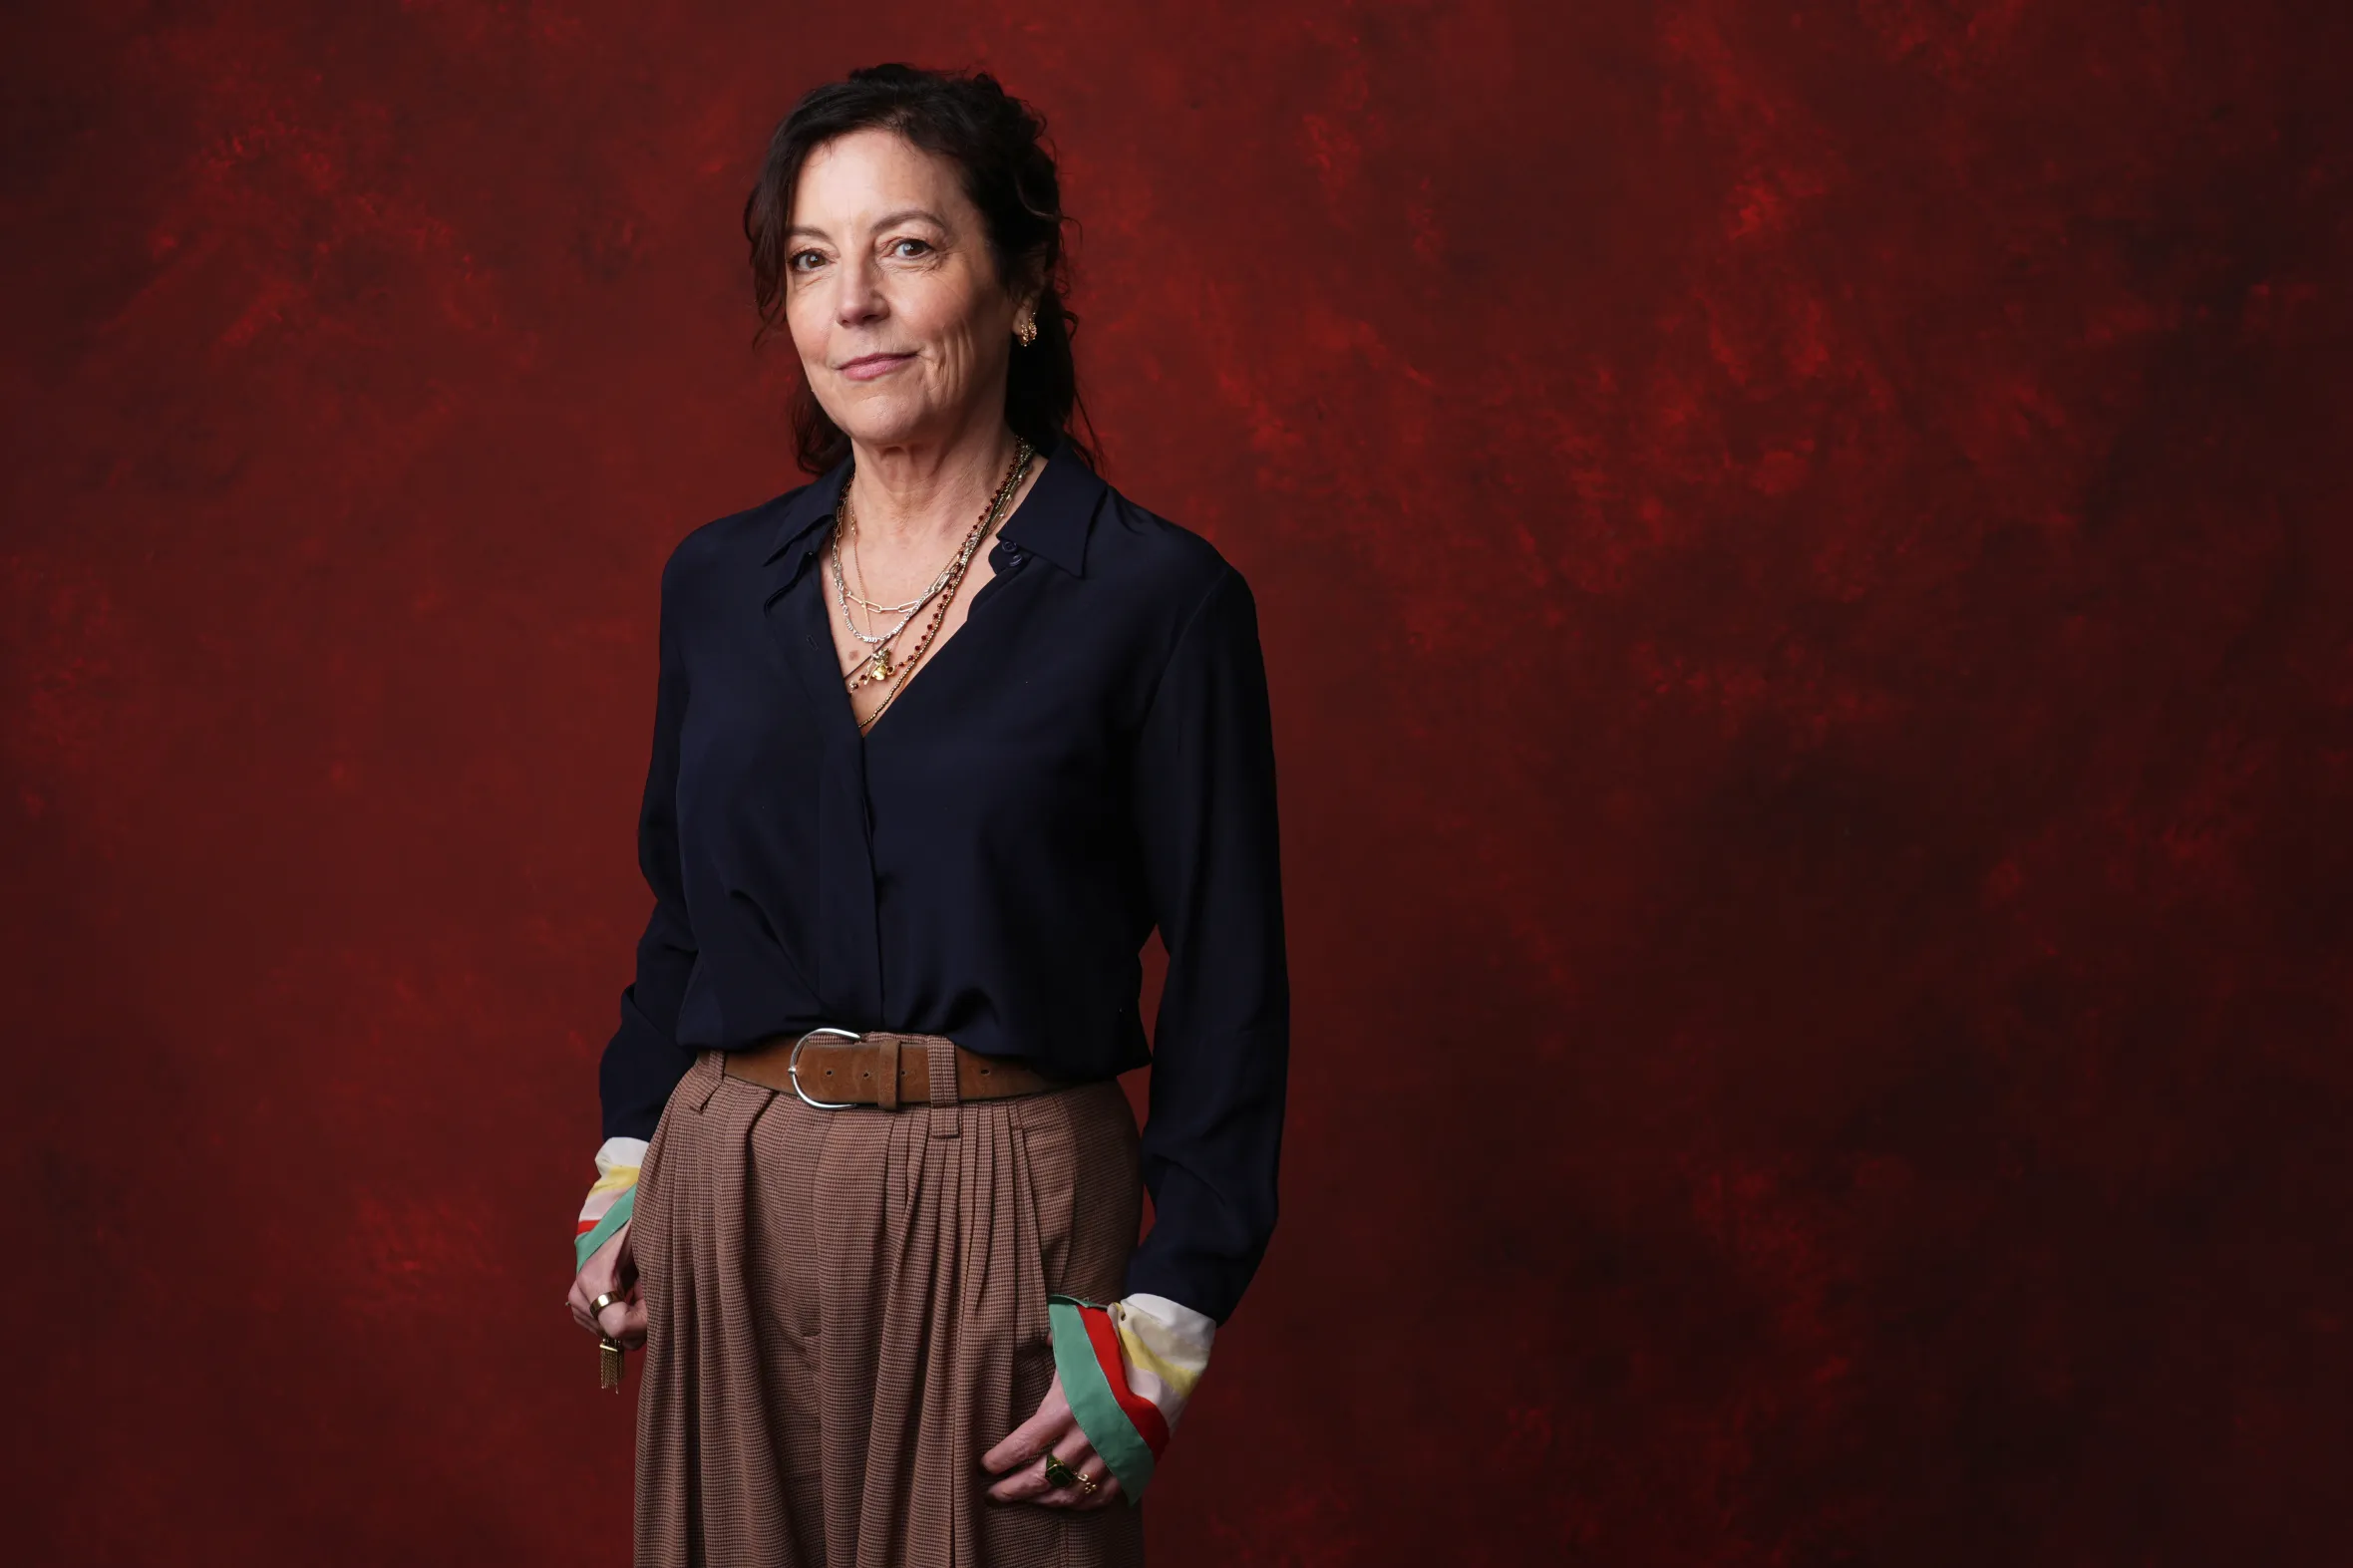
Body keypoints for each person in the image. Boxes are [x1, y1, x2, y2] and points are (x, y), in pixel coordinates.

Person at [559, 63, 1290, 1567]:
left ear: (1019, 284)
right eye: (814, 261)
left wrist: (1168, 1317)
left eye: (909, 246)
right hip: (733, 1193)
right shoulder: (716, 584)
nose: (856, 304)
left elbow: (1232, 981)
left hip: (1006, 1205)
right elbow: (683, 916)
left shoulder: (1159, 602)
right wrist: (630, 1167)